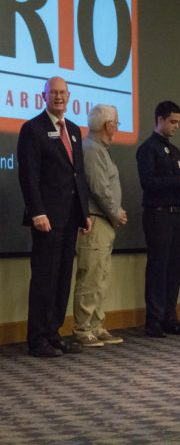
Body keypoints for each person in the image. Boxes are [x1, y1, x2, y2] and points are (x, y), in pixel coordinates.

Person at [17, 76, 91, 357]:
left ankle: (53, 333)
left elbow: (78, 176)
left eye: (62, 92)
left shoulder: (72, 130)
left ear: (69, 96)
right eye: (53, 92)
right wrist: (37, 212)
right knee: (44, 279)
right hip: (46, 219)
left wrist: (84, 214)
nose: (58, 97)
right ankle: (37, 339)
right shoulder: (32, 129)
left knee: (62, 279)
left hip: (70, 218)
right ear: (44, 96)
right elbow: (28, 177)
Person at [136, 101, 180, 338]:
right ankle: (153, 320)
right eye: (173, 121)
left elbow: (178, 184)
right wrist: (178, 182)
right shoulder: (148, 148)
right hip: (157, 214)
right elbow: (148, 183)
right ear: (160, 119)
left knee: (174, 268)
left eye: (179, 122)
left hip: (175, 214)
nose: (176, 126)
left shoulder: (175, 151)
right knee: (158, 267)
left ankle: (170, 318)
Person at [73, 105, 128, 347]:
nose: (117, 128)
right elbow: (98, 187)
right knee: (91, 277)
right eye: (117, 123)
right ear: (108, 125)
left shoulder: (100, 150)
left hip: (104, 221)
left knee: (101, 277)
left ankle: (96, 325)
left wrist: (115, 214)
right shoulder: (92, 150)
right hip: (95, 220)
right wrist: (116, 213)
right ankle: (83, 330)